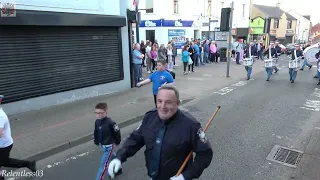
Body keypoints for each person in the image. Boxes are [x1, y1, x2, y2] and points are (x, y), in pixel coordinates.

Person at [107, 86, 213, 180]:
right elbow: (135, 139)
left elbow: (205, 154)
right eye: (159, 101)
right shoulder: (149, 117)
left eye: (168, 102)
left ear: (177, 103)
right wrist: (119, 157)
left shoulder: (191, 125)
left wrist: (185, 176)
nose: (162, 106)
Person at [0, 95, 36, 180]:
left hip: (4, 145)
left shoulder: (0, 116)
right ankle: (28, 164)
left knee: (3, 162)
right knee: (5, 162)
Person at [93, 102, 122, 180]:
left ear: (106, 112)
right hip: (103, 145)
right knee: (112, 156)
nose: (98, 115)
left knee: (104, 164)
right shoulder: (97, 122)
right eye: (96, 113)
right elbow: (96, 131)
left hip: (109, 146)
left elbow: (117, 132)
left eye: (100, 113)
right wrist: (96, 140)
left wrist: (118, 141)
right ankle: (118, 167)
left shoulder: (111, 122)